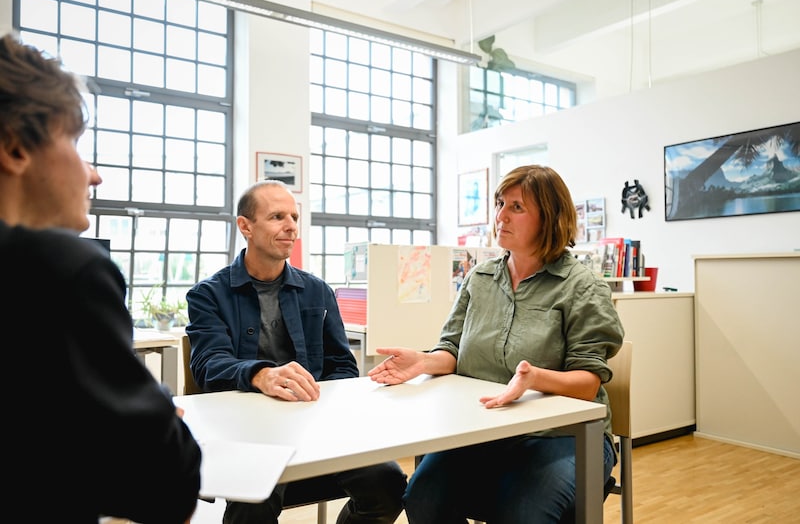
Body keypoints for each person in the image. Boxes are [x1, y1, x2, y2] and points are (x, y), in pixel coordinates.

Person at [0, 32, 202, 523]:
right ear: (15, 147)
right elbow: (163, 487)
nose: (94, 176)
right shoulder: (61, 269)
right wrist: (161, 411)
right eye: (74, 142)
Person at [369, 164, 624, 523]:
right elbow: (452, 350)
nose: (500, 216)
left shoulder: (582, 286)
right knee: (423, 499)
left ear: (549, 218)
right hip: (483, 429)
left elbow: (587, 384)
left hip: (561, 436)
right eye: (499, 203)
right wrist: (424, 362)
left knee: (520, 515)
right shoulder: (481, 277)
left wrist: (534, 378)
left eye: (516, 207)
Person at [185, 180, 407, 524]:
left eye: (293, 216)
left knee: (390, 485)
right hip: (248, 434)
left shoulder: (317, 291)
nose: (291, 226)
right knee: (252, 502)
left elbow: (342, 368)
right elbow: (208, 365)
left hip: (316, 429)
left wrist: (322, 412)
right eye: (276, 216)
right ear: (245, 226)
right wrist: (262, 375)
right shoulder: (208, 295)